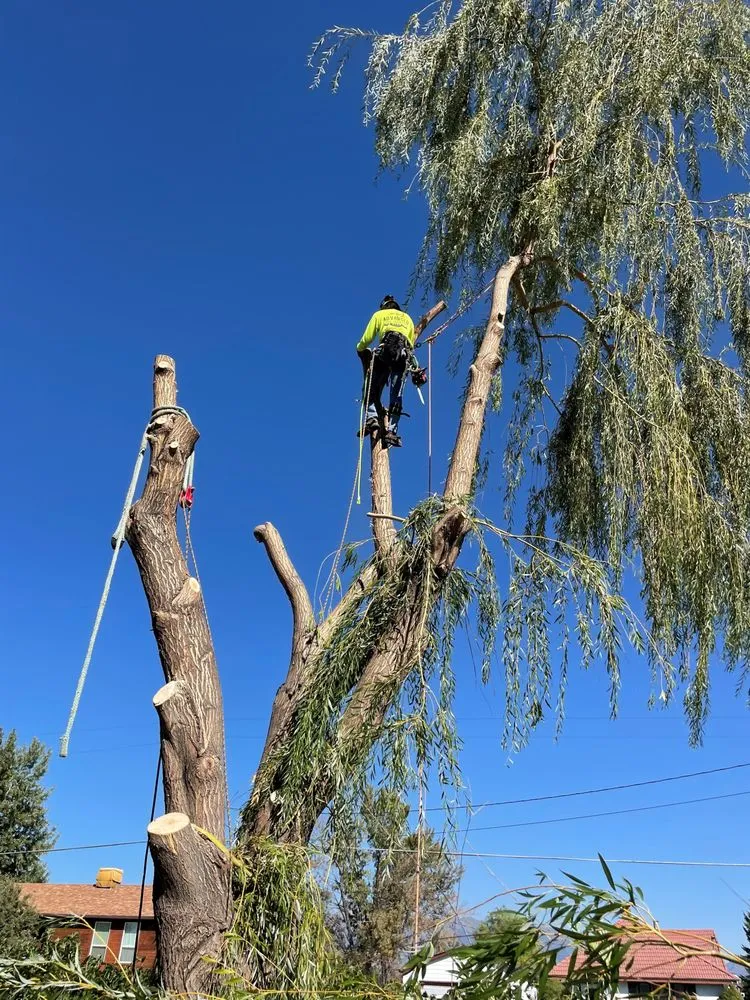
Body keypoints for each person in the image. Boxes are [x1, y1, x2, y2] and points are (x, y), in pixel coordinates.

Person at [357, 295, 416, 448]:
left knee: (370, 386)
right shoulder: (408, 319)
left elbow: (368, 337)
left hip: (385, 353)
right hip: (403, 356)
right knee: (396, 394)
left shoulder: (380, 314)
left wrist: (360, 348)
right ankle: (392, 432)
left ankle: (372, 417)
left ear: (384, 305)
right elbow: (411, 343)